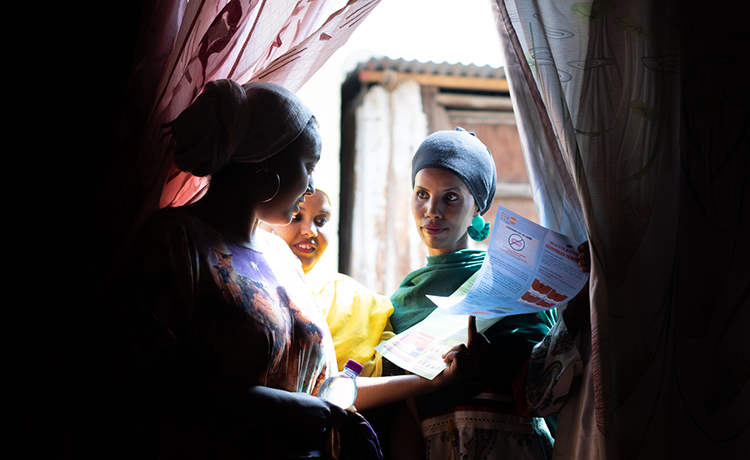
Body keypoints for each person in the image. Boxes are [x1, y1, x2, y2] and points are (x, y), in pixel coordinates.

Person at [76, 81, 485, 460]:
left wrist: (431, 382)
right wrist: (275, 405)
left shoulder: (281, 259)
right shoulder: (175, 242)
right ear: (268, 167)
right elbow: (131, 382)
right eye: (307, 165)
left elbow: (326, 391)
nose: (309, 185)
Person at [387, 127, 591, 459]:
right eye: (422, 193)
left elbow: (541, 392)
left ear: (477, 208)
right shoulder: (400, 303)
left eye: (451, 197)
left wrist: (583, 297)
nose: (432, 210)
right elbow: (399, 413)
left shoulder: (515, 280)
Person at [261, 189, 396, 378]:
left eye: (321, 221)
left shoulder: (351, 294)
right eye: (296, 215)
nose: (311, 231)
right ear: (261, 221)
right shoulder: (250, 290)